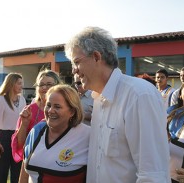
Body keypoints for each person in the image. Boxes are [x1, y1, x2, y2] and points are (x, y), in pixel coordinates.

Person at [65, 26, 170, 183]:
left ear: (96, 57)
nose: (74, 71)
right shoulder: (99, 99)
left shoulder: (139, 95)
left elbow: (153, 174)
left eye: (76, 62)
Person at [19, 84, 90, 183]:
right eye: (48, 105)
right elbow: (24, 173)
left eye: (57, 107)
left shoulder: (87, 136)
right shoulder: (36, 131)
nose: (50, 111)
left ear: (72, 111)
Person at [11, 69, 62, 163]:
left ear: (58, 86)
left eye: (49, 84)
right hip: (32, 161)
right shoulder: (29, 110)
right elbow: (20, 144)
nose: (44, 87)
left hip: (57, 161)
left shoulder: (64, 109)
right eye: (41, 84)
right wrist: (24, 124)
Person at [0, 73, 26, 183]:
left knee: (17, 173)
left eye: (22, 83)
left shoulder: (22, 99)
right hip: (3, 138)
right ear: (11, 84)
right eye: (19, 83)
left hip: (18, 138)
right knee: (0, 174)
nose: (22, 86)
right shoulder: (0, 100)